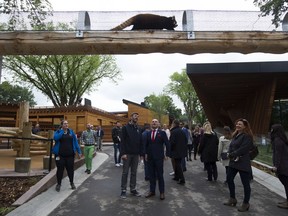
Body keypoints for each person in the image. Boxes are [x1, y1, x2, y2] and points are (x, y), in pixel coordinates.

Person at [224, 118, 253, 212]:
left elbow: (244, 148)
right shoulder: (236, 135)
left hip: (243, 163)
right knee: (229, 179)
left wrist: (232, 154)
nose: (237, 125)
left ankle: (246, 203)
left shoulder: (247, 136)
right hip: (234, 162)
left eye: (240, 124)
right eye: (237, 124)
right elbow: (231, 146)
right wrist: (229, 153)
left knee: (246, 184)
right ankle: (232, 199)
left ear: (245, 126)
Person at [53, 120, 82, 192]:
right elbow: (55, 138)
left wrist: (79, 151)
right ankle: (59, 184)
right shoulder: (58, 132)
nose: (66, 124)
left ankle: (72, 183)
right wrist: (63, 131)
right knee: (60, 170)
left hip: (70, 156)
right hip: (60, 156)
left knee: (70, 170)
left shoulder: (71, 132)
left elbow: (75, 142)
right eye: (65, 123)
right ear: (62, 125)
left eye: (67, 123)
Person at [145, 119, 170, 200]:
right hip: (150, 158)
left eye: (156, 122)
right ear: (151, 124)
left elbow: (167, 144)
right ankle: (152, 191)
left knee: (160, 175)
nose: (154, 123)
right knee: (151, 175)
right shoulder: (148, 133)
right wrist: (145, 154)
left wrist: (166, 154)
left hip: (159, 158)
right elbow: (146, 145)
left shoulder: (162, 133)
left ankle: (162, 192)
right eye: (152, 121)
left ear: (158, 124)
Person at [120, 112, 144, 199]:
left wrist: (141, 154)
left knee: (134, 173)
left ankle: (133, 189)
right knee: (125, 172)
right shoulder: (125, 128)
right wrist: (123, 153)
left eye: (137, 117)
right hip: (127, 154)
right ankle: (123, 190)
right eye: (135, 116)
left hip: (136, 154)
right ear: (131, 117)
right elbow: (122, 141)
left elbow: (141, 142)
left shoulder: (139, 128)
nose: (136, 118)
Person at [270, 124, 288, 209]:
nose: (270, 131)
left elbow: (278, 154)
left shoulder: (277, 140)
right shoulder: (282, 139)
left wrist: (275, 166)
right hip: (285, 165)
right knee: (286, 184)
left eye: (272, 129)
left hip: (282, 166)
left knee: (286, 184)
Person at [170, 119, 187, 185]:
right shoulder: (182, 131)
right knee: (177, 164)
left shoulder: (174, 131)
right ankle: (177, 177)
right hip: (181, 150)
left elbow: (172, 142)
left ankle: (182, 179)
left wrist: (170, 149)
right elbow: (185, 140)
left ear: (174, 124)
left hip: (175, 151)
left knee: (178, 165)